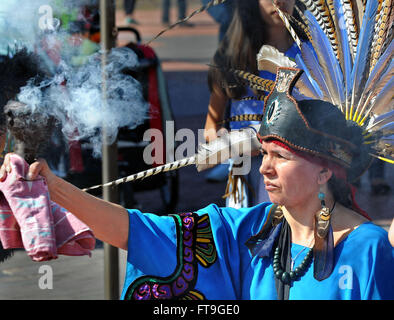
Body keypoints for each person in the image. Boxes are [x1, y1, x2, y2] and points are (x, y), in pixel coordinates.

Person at [1, 66, 392, 300]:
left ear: (325, 172)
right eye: (265, 155)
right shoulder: (252, 230)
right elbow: (136, 231)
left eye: (282, 158)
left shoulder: (365, 249)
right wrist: (56, 188)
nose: (265, 169)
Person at [204, 0, 304, 206]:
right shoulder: (233, 57)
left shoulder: (313, 56)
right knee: (246, 233)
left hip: (296, 173)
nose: (279, 1)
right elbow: (210, 129)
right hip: (244, 173)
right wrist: (229, 142)